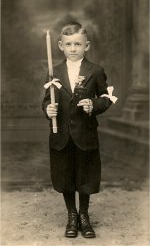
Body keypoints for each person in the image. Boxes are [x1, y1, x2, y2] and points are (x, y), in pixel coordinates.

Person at [42, 22, 116, 238]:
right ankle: (71, 215)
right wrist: (48, 109)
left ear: (87, 46)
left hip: (85, 133)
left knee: (85, 175)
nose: (73, 48)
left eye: (78, 44)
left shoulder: (96, 71)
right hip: (61, 133)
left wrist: (94, 105)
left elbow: (106, 97)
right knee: (65, 174)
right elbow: (47, 100)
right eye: (68, 44)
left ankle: (84, 215)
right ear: (60, 45)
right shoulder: (52, 71)